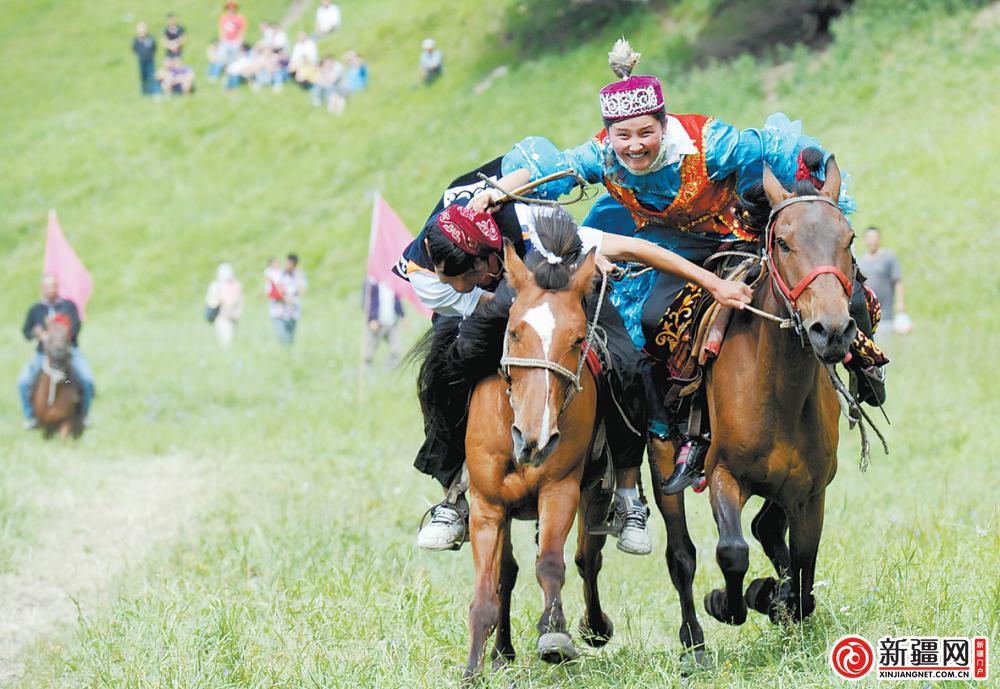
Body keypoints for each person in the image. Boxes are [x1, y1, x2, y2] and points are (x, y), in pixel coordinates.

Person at [482, 39, 887, 495]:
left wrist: (812, 187)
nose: (634, 146)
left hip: (738, 231)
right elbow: (553, 170)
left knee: (850, 294)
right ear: (609, 135)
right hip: (671, 246)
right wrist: (498, 191)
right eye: (623, 136)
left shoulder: (710, 143)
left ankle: (866, 366)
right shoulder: (601, 155)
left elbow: (774, 146)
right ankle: (689, 431)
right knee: (653, 322)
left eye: (645, 133)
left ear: (663, 123)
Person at [397, 169, 750, 554]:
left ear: (486, 264)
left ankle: (629, 495)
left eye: (456, 280)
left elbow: (640, 250)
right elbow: (498, 311)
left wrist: (715, 285)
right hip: (503, 306)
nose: (447, 282)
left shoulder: (535, 227)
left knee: (629, 365)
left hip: (560, 288)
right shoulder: (429, 278)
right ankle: (453, 496)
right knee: (444, 370)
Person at [17, 276, 96, 429]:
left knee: (86, 380)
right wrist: (38, 334)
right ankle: (31, 417)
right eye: (46, 287)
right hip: (43, 354)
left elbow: (76, 327)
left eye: (52, 286)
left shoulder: (68, 306)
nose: (49, 290)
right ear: (42, 288)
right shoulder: (36, 309)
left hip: (68, 352)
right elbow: (26, 332)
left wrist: (61, 335)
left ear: (57, 287)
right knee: (23, 382)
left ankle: (83, 414)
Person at [857, 226, 909, 341]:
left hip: (886, 315)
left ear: (879, 239)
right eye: (869, 238)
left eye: (874, 237)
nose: (872, 241)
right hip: (868, 315)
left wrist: (901, 302)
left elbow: (898, 281)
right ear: (864, 240)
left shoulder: (889, 257)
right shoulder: (861, 261)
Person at [363, 279, 404, 368]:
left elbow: (397, 300)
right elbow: (367, 302)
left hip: (392, 322)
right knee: (369, 349)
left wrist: (402, 315)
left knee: (395, 348)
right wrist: (372, 318)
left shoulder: (392, 281)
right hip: (377, 322)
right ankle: (367, 368)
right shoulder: (372, 281)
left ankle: (391, 368)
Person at [269, 254, 307, 344]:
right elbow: (273, 292)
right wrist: (285, 299)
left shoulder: (299, 275)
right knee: (282, 336)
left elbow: (302, 291)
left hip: (293, 312)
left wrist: (298, 277)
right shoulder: (278, 274)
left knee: (290, 337)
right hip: (279, 311)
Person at [205, 263, 244, 348]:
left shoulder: (236, 285)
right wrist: (218, 299)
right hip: (221, 317)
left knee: (232, 338)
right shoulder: (215, 286)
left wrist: (237, 314)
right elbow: (211, 302)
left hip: (233, 317)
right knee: (226, 339)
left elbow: (240, 301)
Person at [131, 22, 159, 96]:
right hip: (141, 60)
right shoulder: (136, 40)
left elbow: (154, 48)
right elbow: (134, 49)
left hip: (150, 60)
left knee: (151, 76)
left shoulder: (150, 38)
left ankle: (154, 92)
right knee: (143, 77)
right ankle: (144, 92)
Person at [217, 2, 247, 68]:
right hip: (226, 39)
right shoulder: (224, 18)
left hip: (235, 40)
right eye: (229, 8)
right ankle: (224, 69)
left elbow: (242, 30)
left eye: (232, 8)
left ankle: (232, 70)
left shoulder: (239, 18)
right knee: (222, 55)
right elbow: (221, 29)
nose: (230, 10)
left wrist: (240, 39)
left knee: (234, 56)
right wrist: (221, 38)